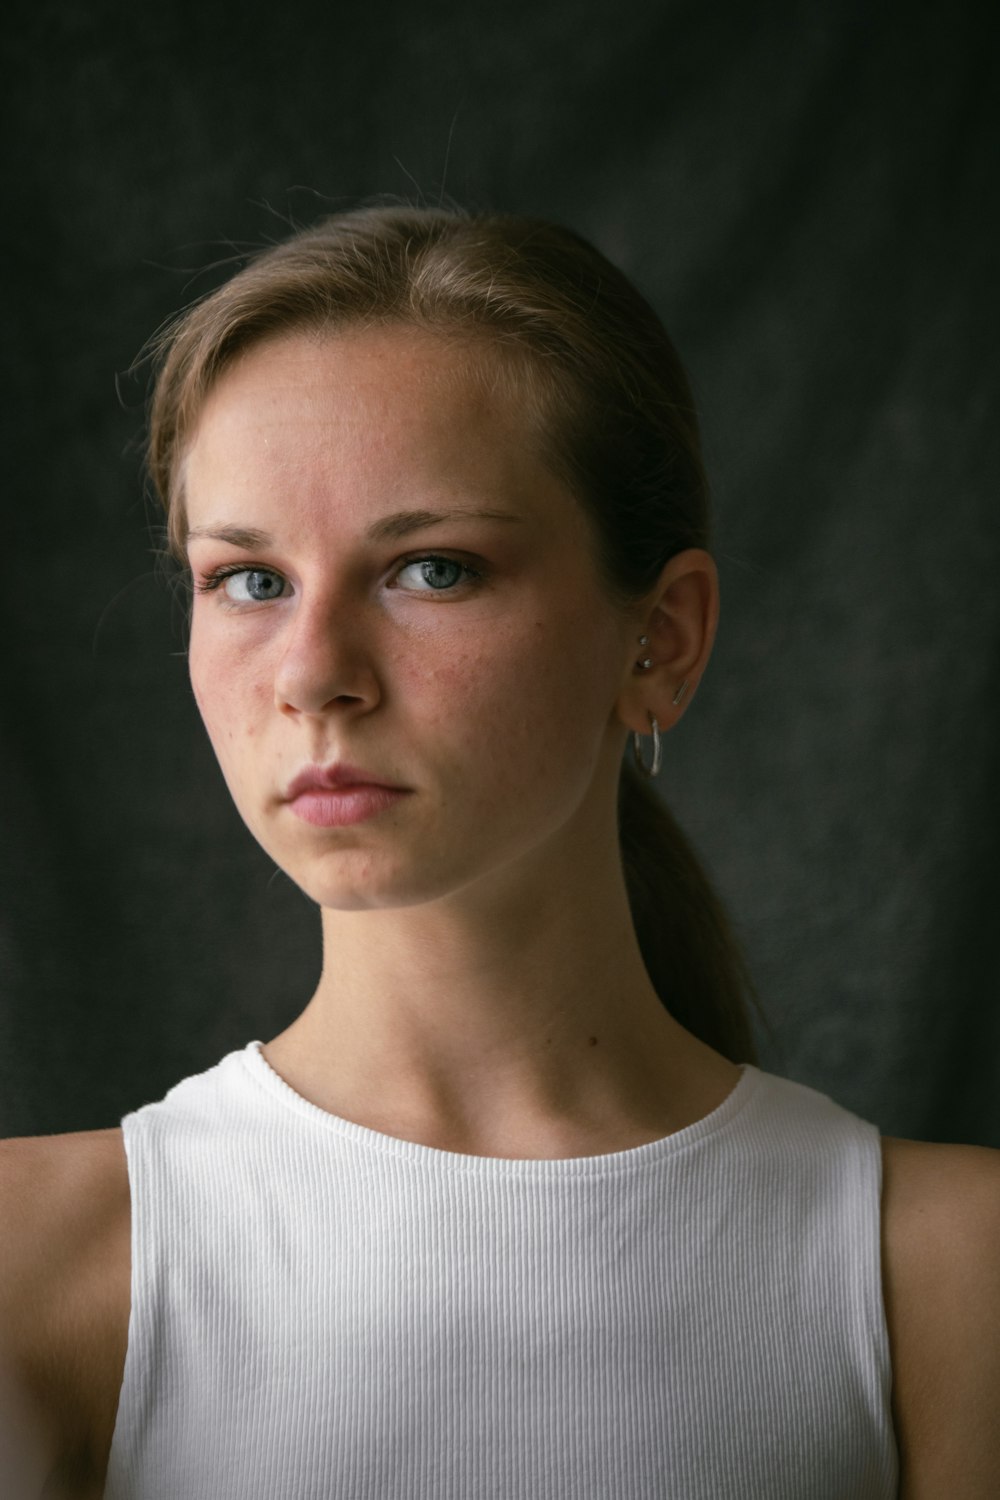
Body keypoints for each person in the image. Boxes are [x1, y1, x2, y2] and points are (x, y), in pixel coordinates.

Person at [1, 204, 997, 1499]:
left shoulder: (949, 1275)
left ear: (664, 639)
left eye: (431, 569)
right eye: (249, 580)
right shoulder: (35, 1267)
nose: (313, 674)